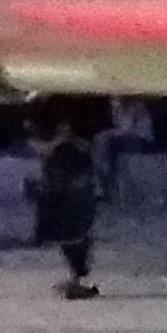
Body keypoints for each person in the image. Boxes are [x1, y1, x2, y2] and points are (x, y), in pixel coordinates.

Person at [32, 122, 102, 299]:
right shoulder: (48, 137)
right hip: (58, 191)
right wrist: (59, 141)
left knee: (77, 235)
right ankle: (76, 277)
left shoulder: (82, 137)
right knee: (66, 236)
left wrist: (71, 139)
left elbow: (89, 149)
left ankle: (78, 277)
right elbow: (40, 149)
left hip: (76, 191)